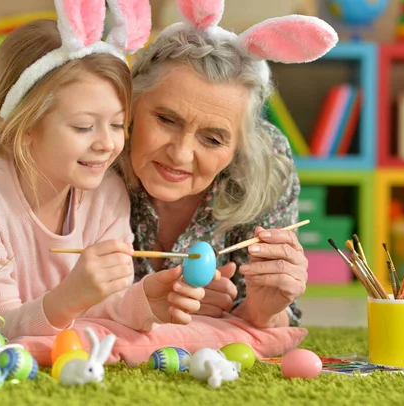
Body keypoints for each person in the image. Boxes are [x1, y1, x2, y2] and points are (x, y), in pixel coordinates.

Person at [0, 0, 203, 339]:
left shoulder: (107, 193)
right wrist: (67, 299)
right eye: (83, 127)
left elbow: (100, 311)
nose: (107, 144)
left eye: (117, 125)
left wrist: (143, 302)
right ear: (25, 128)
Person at [120, 0, 338, 328]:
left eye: (212, 139)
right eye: (166, 120)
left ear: (240, 148)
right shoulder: (97, 148)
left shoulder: (267, 165)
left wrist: (261, 310)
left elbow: (269, 320)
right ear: (131, 105)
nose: (180, 154)